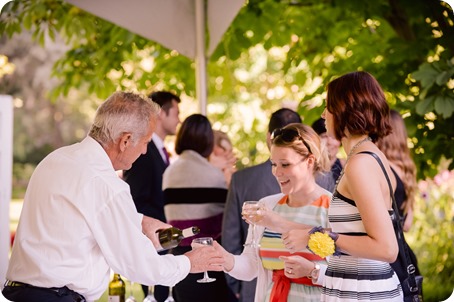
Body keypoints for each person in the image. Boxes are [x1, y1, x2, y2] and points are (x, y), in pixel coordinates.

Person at [2, 92, 224, 302]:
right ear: (125, 140)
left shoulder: (56, 160)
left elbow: (79, 212)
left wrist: (140, 221)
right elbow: (140, 266)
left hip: (17, 293)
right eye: (146, 142)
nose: (145, 151)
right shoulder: (107, 185)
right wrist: (189, 263)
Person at [282, 71, 403, 301]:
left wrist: (315, 237)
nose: (323, 114)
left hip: (363, 293)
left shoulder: (360, 164)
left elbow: (387, 249)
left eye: (328, 107)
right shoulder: (369, 156)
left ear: (345, 110)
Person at [215, 123, 333, 302]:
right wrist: (225, 259)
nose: (277, 172)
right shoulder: (267, 205)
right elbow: (251, 266)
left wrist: (312, 271)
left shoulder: (332, 208)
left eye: (285, 164)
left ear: (309, 161)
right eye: (273, 164)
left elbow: (349, 275)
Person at [221, 108, 303, 302]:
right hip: (260, 284)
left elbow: (231, 235)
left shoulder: (242, 179)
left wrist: (235, 285)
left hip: (256, 286)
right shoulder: (325, 181)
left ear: (268, 136)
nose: (278, 174)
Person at [162, 114, 230, 302]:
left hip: (178, 255)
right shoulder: (213, 175)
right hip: (208, 257)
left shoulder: (169, 172)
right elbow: (227, 216)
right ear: (208, 140)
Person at [123, 90, 181, 301]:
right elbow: (134, 198)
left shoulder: (161, 151)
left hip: (166, 241)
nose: (179, 119)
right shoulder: (141, 151)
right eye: (176, 113)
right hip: (151, 242)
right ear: (161, 114)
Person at [376, 109, 420, 283]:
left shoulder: (380, 168)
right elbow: (407, 225)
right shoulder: (407, 169)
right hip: (405, 255)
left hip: (385, 256)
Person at [311, 117, 343, 191]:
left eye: (334, 137)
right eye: (324, 136)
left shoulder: (347, 167)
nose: (329, 142)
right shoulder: (307, 168)